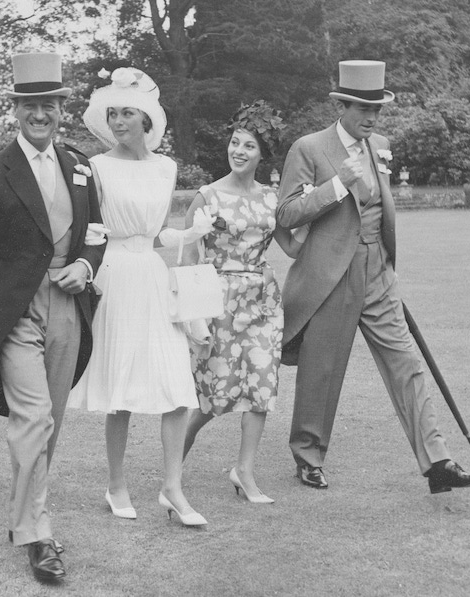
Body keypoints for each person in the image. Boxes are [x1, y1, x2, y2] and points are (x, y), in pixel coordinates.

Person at [276, 60, 470, 494]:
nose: (371, 118)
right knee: (323, 370)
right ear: (343, 106)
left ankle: (438, 463)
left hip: (378, 271)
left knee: (406, 364)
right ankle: (309, 456)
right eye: (362, 108)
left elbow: (378, 207)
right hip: (331, 275)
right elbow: (285, 213)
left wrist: (385, 263)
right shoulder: (309, 148)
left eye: (378, 110)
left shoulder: (380, 145)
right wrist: (337, 184)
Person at [0, 51, 106, 583]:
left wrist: (83, 263)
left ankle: (28, 516)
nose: (41, 114)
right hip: (14, 314)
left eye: (49, 104)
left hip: (68, 308)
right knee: (32, 417)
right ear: (16, 110)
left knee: (47, 424)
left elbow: (97, 233)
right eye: (30, 104)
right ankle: (37, 534)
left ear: (61, 108)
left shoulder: (80, 166)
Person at [67, 67, 210, 526]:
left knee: (175, 386)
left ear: (147, 118)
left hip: (152, 276)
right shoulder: (96, 167)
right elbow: (96, 232)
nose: (120, 121)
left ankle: (173, 488)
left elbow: (155, 233)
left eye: (128, 112)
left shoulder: (166, 167)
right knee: (122, 391)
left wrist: (189, 233)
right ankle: (116, 485)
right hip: (114, 279)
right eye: (114, 113)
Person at [181, 101, 300, 504]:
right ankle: (172, 465)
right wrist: (192, 314)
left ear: (262, 154)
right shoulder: (207, 196)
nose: (240, 151)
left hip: (263, 301)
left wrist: (333, 223)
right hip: (217, 300)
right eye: (235, 143)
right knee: (212, 396)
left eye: (249, 146)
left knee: (261, 386)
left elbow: (293, 247)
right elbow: (187, 258)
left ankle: (245, 472)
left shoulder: (272, 199)